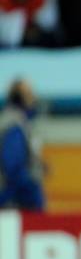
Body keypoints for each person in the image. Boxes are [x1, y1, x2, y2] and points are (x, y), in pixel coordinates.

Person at [0, 79, 46, 210]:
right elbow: (13, 168)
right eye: (30, 93)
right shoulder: (14, 126)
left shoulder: (20, 124)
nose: (34, 97)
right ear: (20, 98)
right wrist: (32, 194)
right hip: (15, 206)